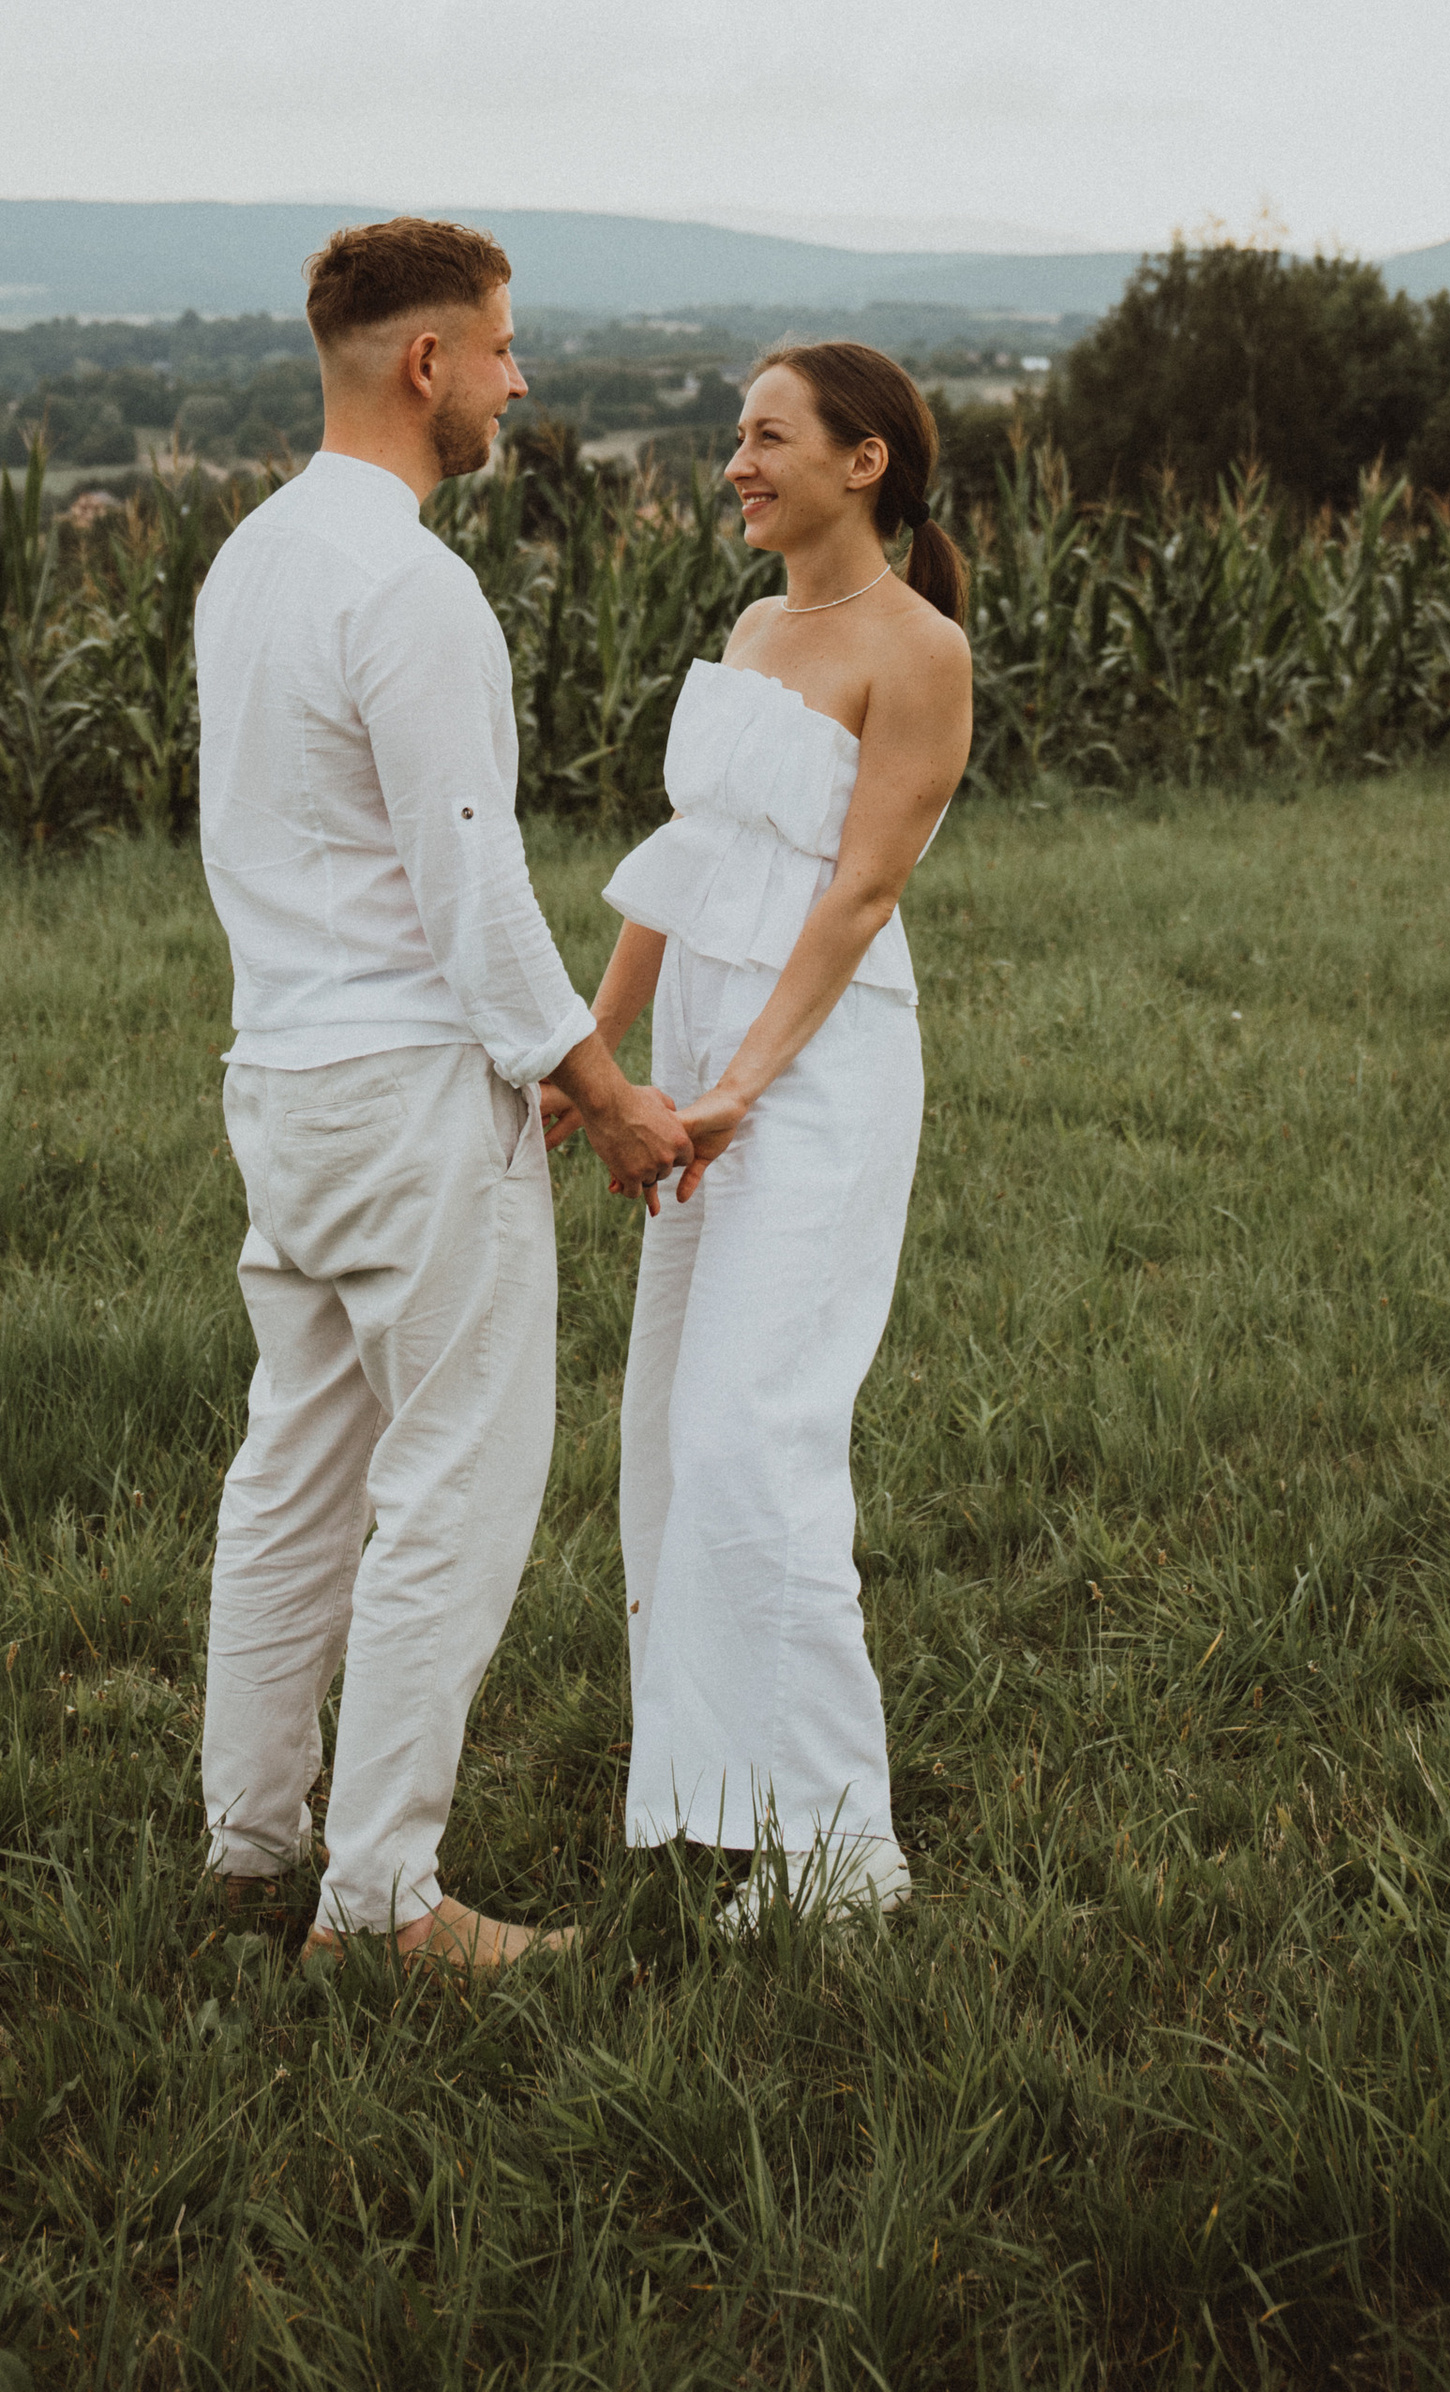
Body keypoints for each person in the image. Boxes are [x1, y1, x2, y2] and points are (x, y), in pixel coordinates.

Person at [194, 217, 690, 1976]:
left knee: (297, 1469)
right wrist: (605, 1090)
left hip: (282, 1079)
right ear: (428, 366)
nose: (516, 378)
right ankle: (384, 1903)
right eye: (501, 347)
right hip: (410, 1093)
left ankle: (253, 1848)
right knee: (454, 1491)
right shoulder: (410, 587)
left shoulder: (251, 560)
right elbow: (471, 891)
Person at [546, 343, 974, 1919]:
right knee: (671, 1431)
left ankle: (846, 1853)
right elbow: (694, 852)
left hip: (822, 1067)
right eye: (735, 434)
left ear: (862, 462)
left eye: (767, 436)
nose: (736, 460)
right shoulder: (750, 625)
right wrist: (597, 1043)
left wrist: (745, 1086)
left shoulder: (919, 648)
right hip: (703, 1050)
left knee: (757, 1435)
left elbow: (861, 891)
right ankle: (723, 1795)